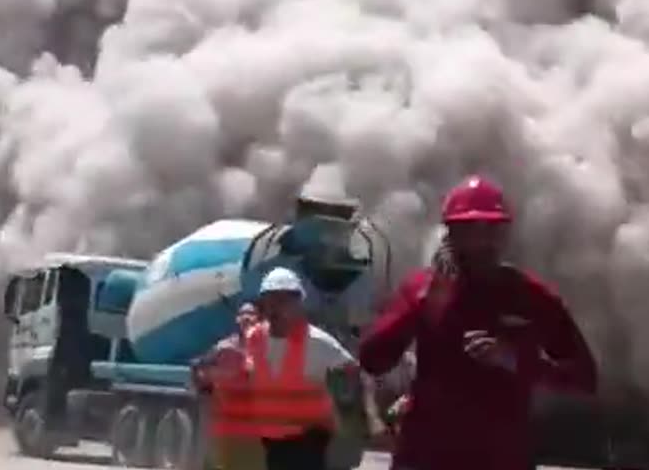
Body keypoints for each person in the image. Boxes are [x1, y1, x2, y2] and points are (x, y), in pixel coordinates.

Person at [358, 174, 599, 470]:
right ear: (451, 234)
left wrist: (514, 360)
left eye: (493, 229)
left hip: (502, 458)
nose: (484, 240)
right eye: (471, 229)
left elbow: (584, 378)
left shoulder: (530, 296)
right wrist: (424, 305)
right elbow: (372, 359)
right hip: (425, 456)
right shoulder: (422, 289)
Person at [241, 267, 365, 470]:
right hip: (267, 442)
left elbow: (352, 375)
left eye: (283, 301)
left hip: (307, 443)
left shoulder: (317, 343)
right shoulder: (254, 338)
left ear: (298, 303)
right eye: (270, 301)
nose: (274, 308)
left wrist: (348, 430)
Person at [194, 301, 268, 470]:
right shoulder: (223, 348)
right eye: (243, 314)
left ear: (259, 320)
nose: (247, 318)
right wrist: (207, 387)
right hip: (227, 426)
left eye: (251, 314)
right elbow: (199, 369)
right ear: (237, 319)